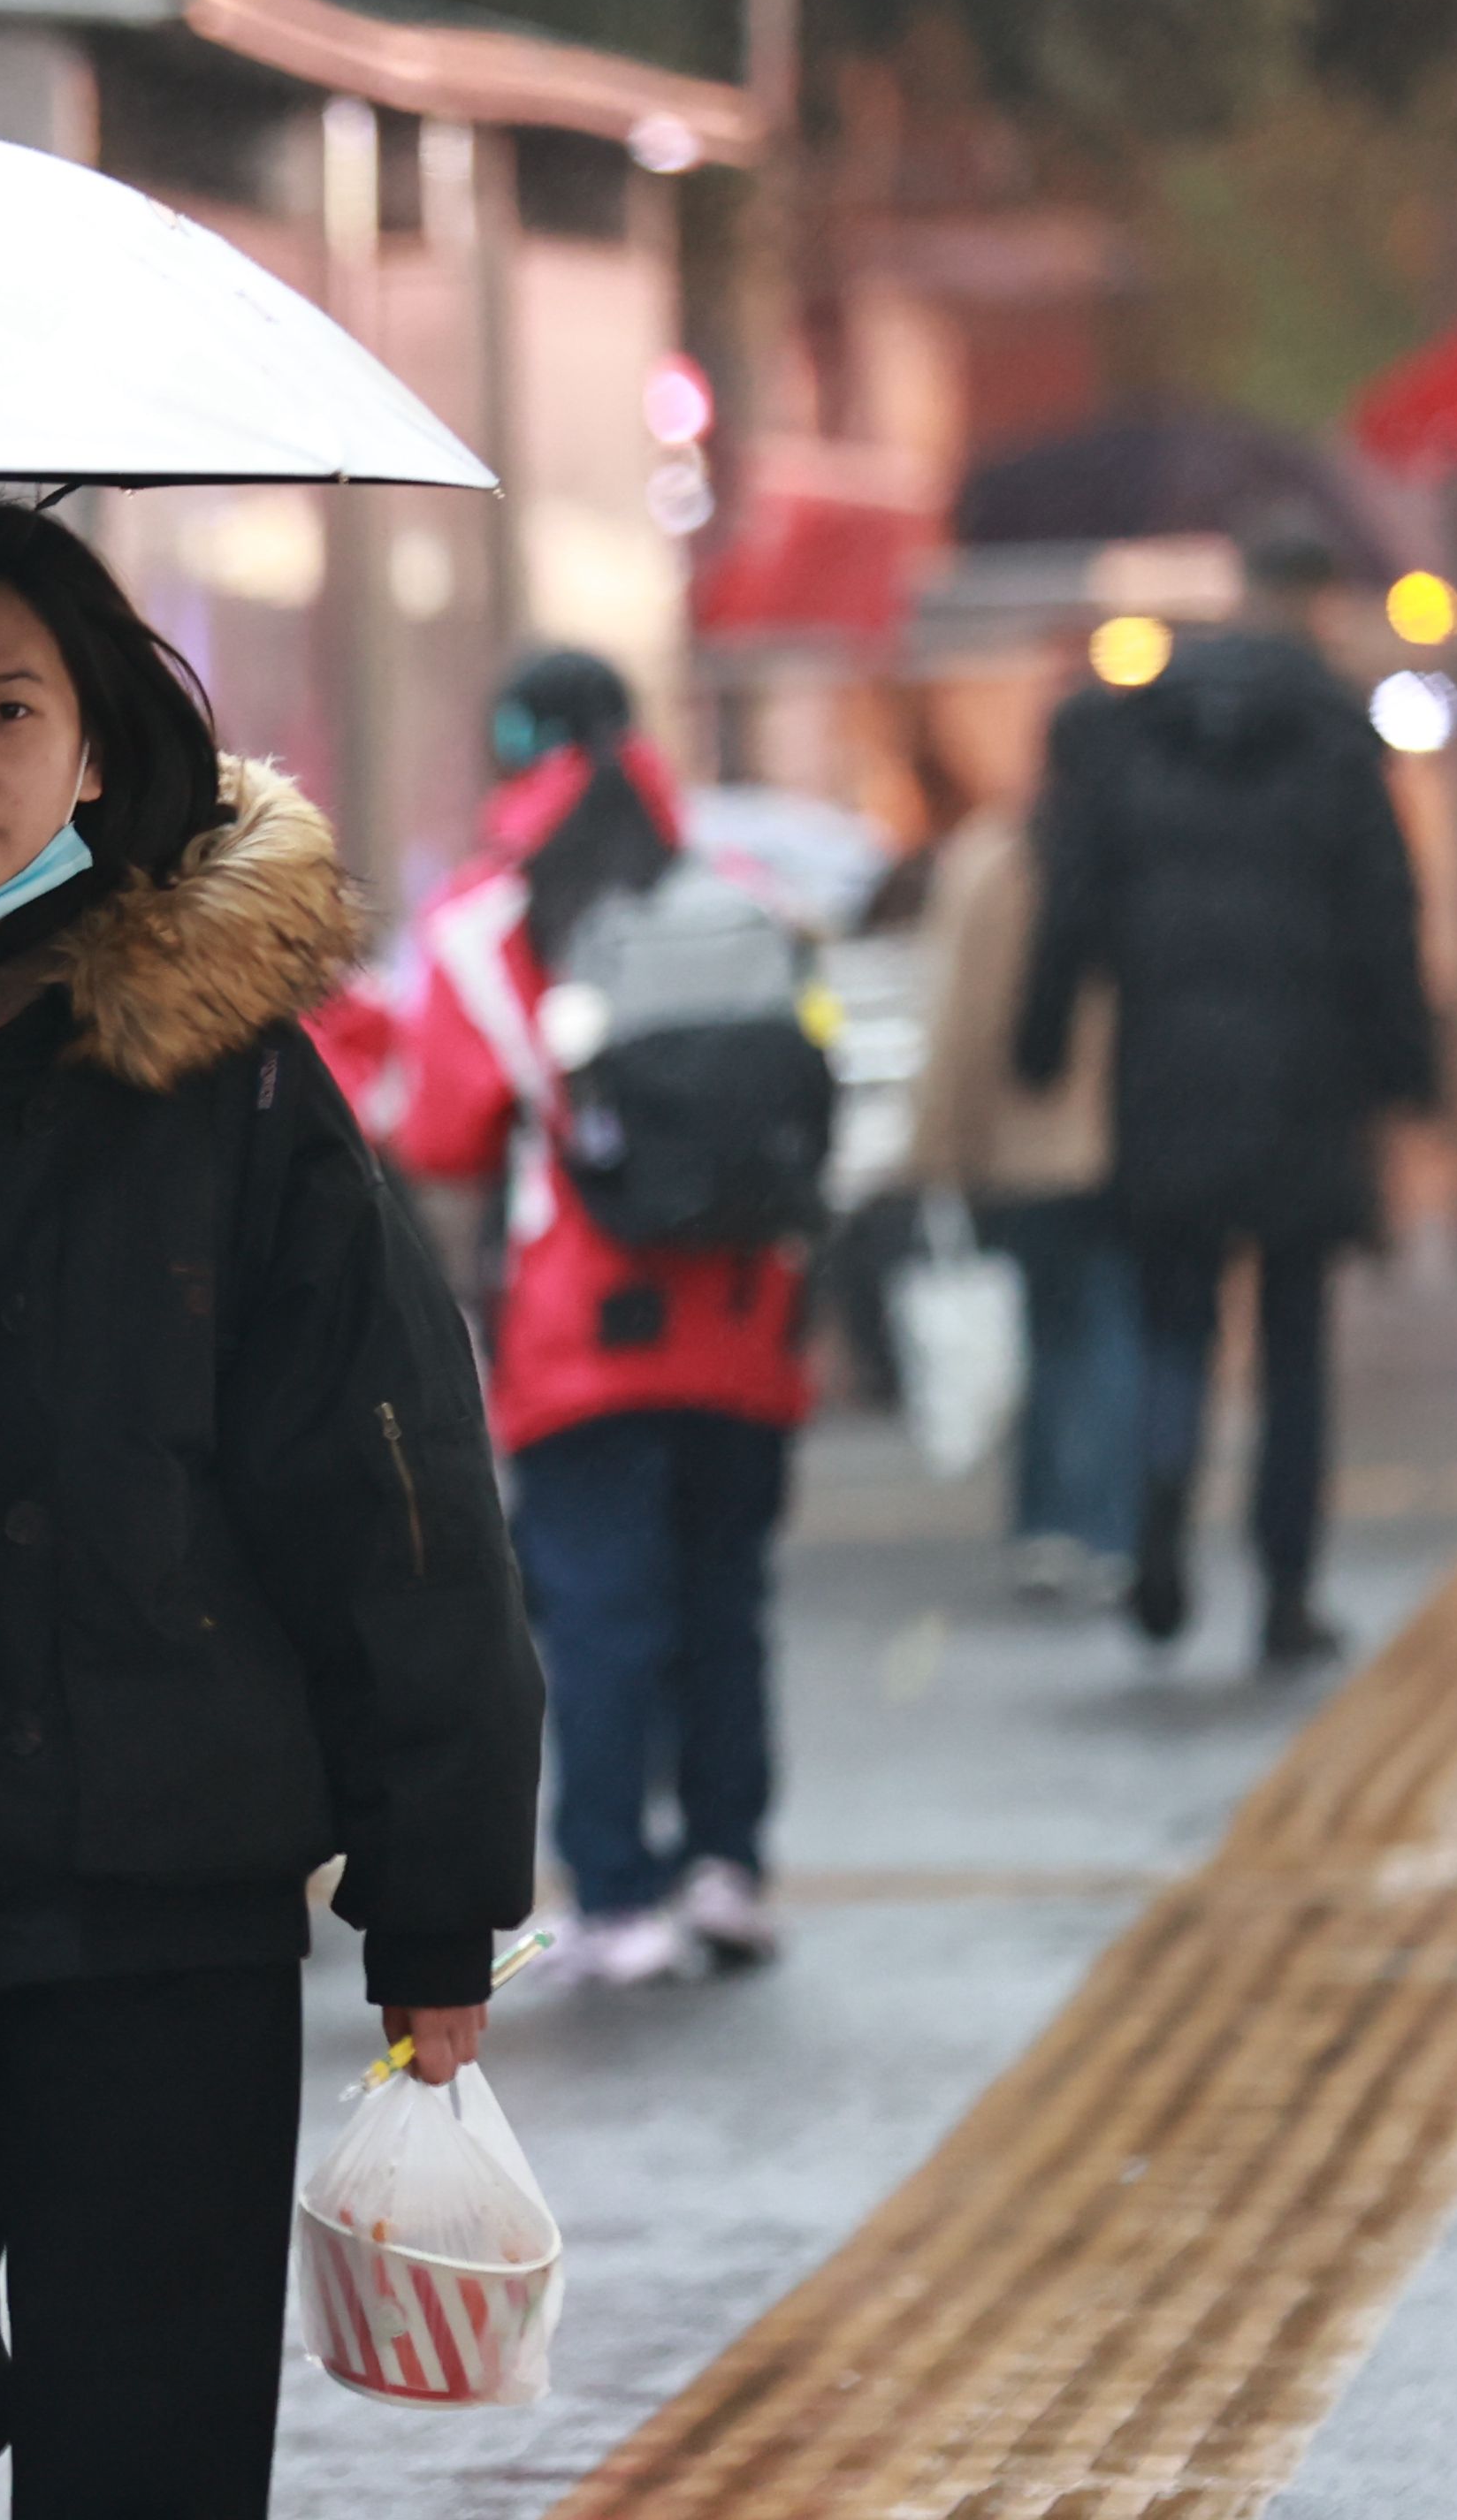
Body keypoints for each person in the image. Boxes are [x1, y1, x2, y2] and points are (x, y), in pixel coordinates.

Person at [0, 499, 538, 2520]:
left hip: (163, 1925)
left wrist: (435, 1898)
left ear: (91, 747)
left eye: (0, 709)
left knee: (143, 2468)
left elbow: (393, 1494)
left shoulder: (227, 1084)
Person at [395, 649, 816, 1990]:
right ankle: (728, 1864)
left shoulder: (481, 919)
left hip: (585, 1328)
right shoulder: (742, 894)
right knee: (724, 1598)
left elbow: (449, 1131)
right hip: (746, 1316)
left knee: (595, 1611)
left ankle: (619, 1892)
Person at [1017, 543, 1434, 1669]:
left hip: (1166, 1080)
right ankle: (1285, 1587)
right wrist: (1409, 1073)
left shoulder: (1136, 736)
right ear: (1316, 606)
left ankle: (1158, 1515)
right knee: (1296, 1347)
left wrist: (1042, 1041)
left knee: (1172, 1325)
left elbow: (1071, 904)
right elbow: (1385, 922)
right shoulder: (1340, 744)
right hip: (1309, 1084)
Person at [908, 765, 1138, 1602]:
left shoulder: (991, 865)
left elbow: (960, 1021)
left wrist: (939, 1152)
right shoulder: (1138, 860)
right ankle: (1110, 1526)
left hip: (1019, 1151)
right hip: (1121, 1147)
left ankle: (1046, 1523)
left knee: (1041, 1336)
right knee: (1113, 1334)